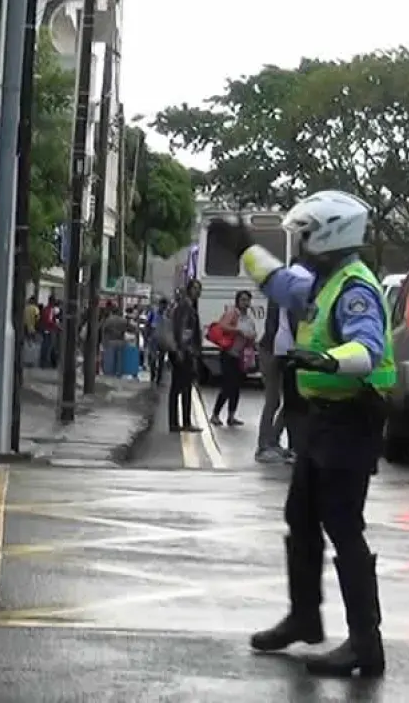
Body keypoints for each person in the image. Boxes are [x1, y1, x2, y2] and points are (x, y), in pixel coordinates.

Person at [206, 190, 393, 679]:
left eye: (307, 235)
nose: (302, 244)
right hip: (321, 419)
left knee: (343, 526)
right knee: (303, 517)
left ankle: (364, 643)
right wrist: (246, 244)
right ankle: (305, 617)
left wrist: (329, 359)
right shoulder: (323, 283)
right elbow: (279, 282)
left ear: (330, 234)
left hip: (351, 419)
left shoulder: (355, 289)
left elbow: (369, 349)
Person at [256, 264, 301, 464]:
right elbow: (279, 325)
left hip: (278, 349)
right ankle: (264, 445)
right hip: (273, 350)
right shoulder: (284, 295)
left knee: (290, 400)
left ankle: (272, 440)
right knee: (274, 399)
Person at [210, 290, 257, 426]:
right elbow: (222, 325)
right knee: (227, 386)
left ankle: (231, 416)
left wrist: (252, 338)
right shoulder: (233, 313)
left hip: (240, 357)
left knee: (236, 387)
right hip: (228, 354)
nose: (245, 303)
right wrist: (238, 331)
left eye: (247, 300)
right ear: (237, 301)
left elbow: (252, 334)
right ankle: (215, 414)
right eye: (243, 300)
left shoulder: (248, 318)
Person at [165, 280, 203, 433]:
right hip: (184, 351)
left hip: (184, 350)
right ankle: (179, 422)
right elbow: (182, 329)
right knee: (180, 387)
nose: (198, 292)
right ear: (189, 290)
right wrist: (182, 349)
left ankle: (182, 421)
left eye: (199, 289)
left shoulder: (187, 306)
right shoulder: (185, 306)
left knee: (185, 387)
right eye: (195, 289)